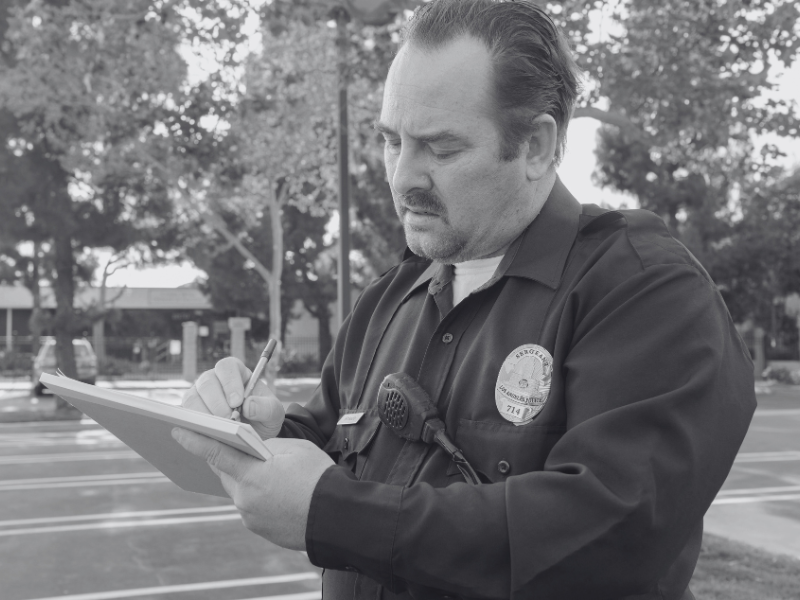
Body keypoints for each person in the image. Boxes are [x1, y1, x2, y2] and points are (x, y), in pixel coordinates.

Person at [173, 1, 757, 598]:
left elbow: (608, 534)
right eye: (391, 141)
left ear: (535, 146)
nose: (402, 177)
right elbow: (333, 448)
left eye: (441, 149)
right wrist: (262, 432)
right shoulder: (387, 300)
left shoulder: (643, 291)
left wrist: (335, 515)